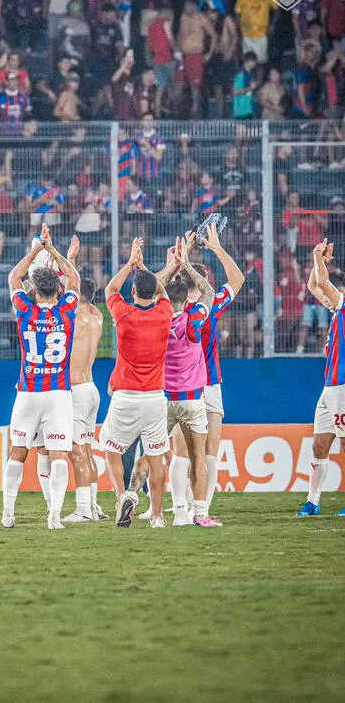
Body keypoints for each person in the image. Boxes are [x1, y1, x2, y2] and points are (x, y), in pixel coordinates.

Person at [2, 224, 80, 530]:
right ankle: (55, 516)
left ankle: (8, 513)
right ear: (58, 290)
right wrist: (54, 251)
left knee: (18, 452)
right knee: (59, 454)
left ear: (34, 290)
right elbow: (73, 277)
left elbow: (12, 278)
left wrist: (36, 250)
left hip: (29, 392)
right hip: (59, 394)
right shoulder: (67, 310)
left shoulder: (24, 310)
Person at [167, 224, 245, 522]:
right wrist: (215, 247)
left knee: (179, 454)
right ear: (202, 282)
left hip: (178, 385)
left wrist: (181, 255)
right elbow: (237, 279)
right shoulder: (209, 307)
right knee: (208, 453)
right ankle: (202, 511)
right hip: (208, 385)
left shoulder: (169, 308)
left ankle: (178, 512)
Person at [101, 238, 173, 529]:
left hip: (125, 397)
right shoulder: (164, 313)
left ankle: (123, 497)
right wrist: (148, 274)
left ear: (132, 291)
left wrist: (130, 263)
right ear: (154, 292)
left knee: (112, 451)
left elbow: (110, 289)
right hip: (155, 398)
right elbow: (163, 293)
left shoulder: (124, 314)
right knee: (156, 460)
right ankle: (157, 516)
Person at [164, 236, 218, 527]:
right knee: (198, 455)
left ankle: (160, 513)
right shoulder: (192, 317)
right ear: (185, 300)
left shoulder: (156, 317)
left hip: (163, 397)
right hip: (192, 397)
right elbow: (208, 291)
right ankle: (199, 514)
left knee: (155, 453)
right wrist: (186, 265)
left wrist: (171, 267)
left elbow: (152, 290)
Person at [58, 236, 107, 523]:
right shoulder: (96, 314)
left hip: (76, 391)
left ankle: (83, 509)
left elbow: (70, 284)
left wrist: (70, 258)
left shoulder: (75, 315)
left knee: (77, 452)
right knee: (87, 450)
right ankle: (93, 505)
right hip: (91, 389)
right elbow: (75, 286)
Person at [297, 240, 345, 517]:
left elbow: (324, 286)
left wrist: (318, 258)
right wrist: (319, 264)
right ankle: (313, 501)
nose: (325, 301)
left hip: (342, 385)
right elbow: (314, 287)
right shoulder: (337, 309)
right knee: (319, 444)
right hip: (330, 387)